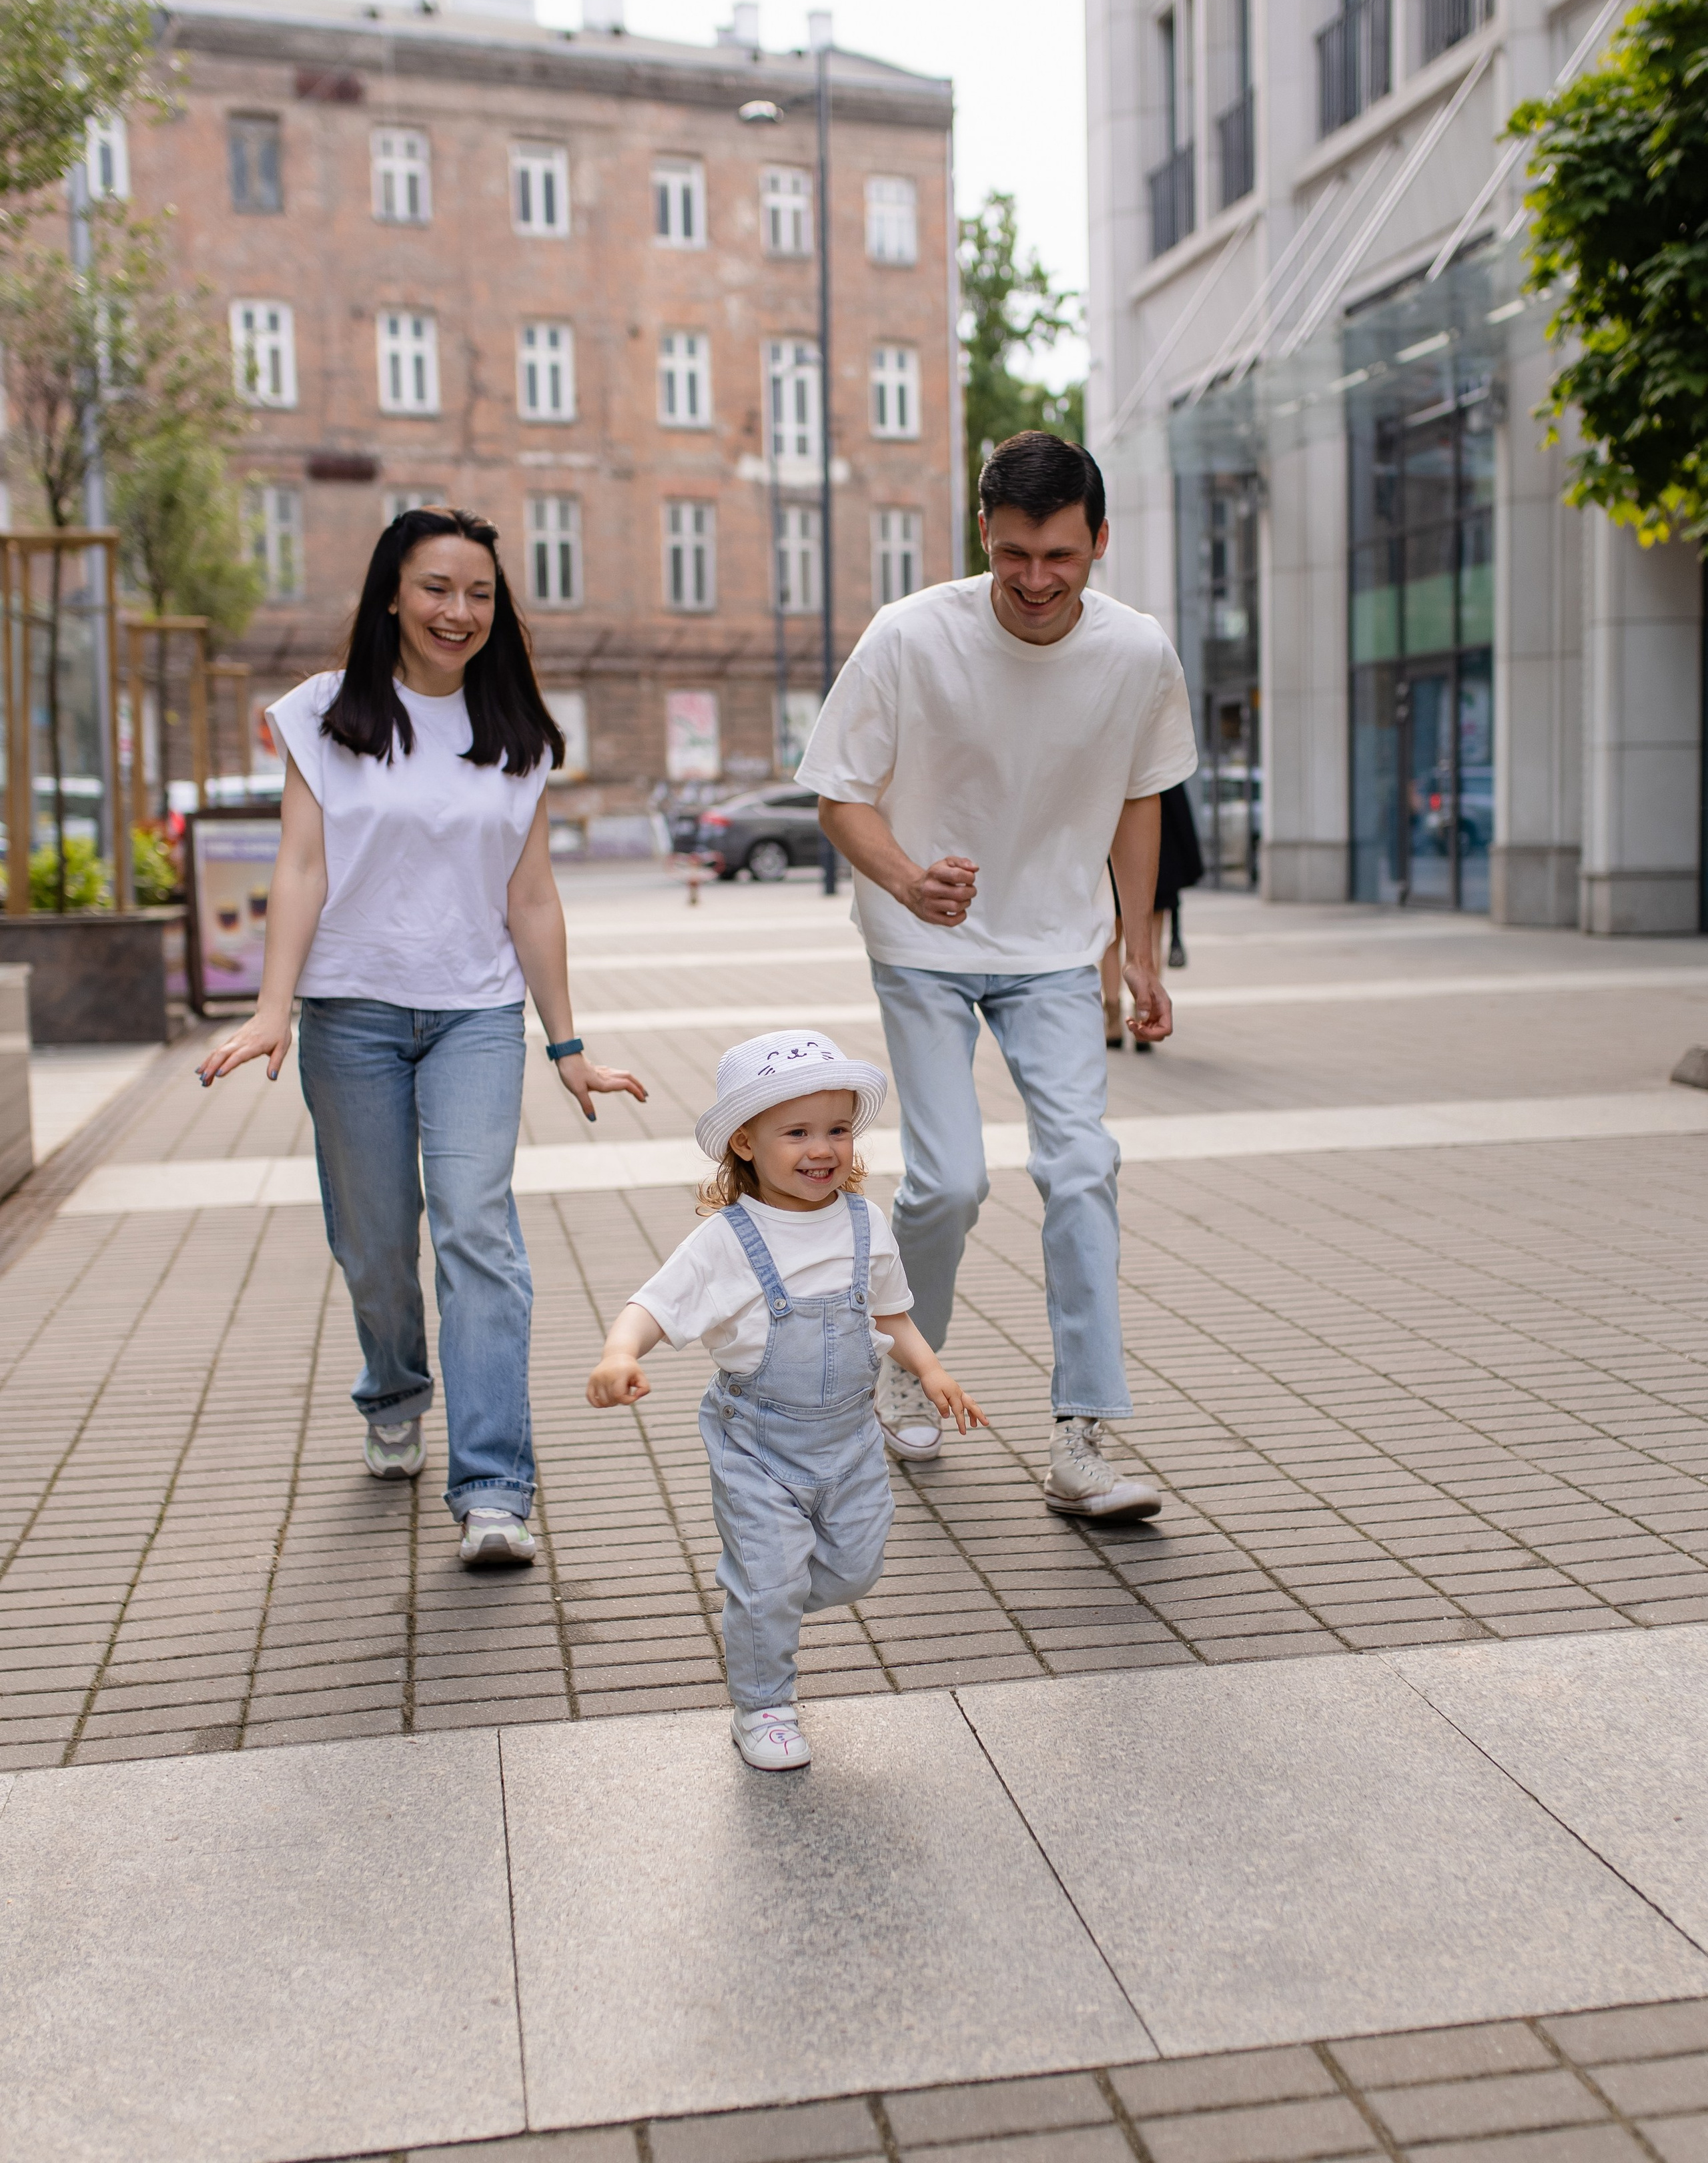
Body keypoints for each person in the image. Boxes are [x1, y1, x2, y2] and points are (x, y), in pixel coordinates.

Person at [197, 507, 647, 1566]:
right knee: (374, 1242)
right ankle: (394, 1387)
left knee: (477, 1232)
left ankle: (494, 1486)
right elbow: (301, 866)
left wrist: (566, 1042)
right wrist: (273, 1007)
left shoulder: (520, 733)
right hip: (349, 1011)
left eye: (480, 593)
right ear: (392, 595)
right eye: (438, 588)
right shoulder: (322, 714)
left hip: (477, 1017)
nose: (459, 611)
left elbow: (530, 896)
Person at [798, 433, 1197, 1515]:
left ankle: (1085, 1438)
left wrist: (1142, 948)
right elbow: (839, 792)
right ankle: (905, 1359)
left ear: (1099, 541)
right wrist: (907, 878)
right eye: (1014, 552)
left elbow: (1138, 796)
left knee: (1083, 1167)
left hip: (1056, 948)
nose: (1035, 579)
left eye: (1060, 555)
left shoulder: (1136, 652)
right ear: (984, 533)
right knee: (951, 1182)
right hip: (923, 944)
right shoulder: (908, 637)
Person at [586, 1029, 984, 1769]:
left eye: (836, 1129)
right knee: (771, 1580)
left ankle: (759, 1601)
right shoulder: (726, 1241)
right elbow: (652, 1305)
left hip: (851, 1443)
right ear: (744, 1142)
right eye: (795, 1131)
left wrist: (930, 1371)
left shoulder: (866, 1224)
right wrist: (619, 1353)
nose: (821, 1149)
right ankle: (763, 1704)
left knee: (856, 1568)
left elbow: (891, 1314)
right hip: (757, 1448)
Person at [1102, 782, 1204, 1046]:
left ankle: (1112, 1020)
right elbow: (1182, 818)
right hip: (1157, 863)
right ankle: (1144, 1013)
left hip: (1109, 856)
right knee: (1150, 938)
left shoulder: (1114, 766)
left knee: (1111, 942)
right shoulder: (1159, 765)